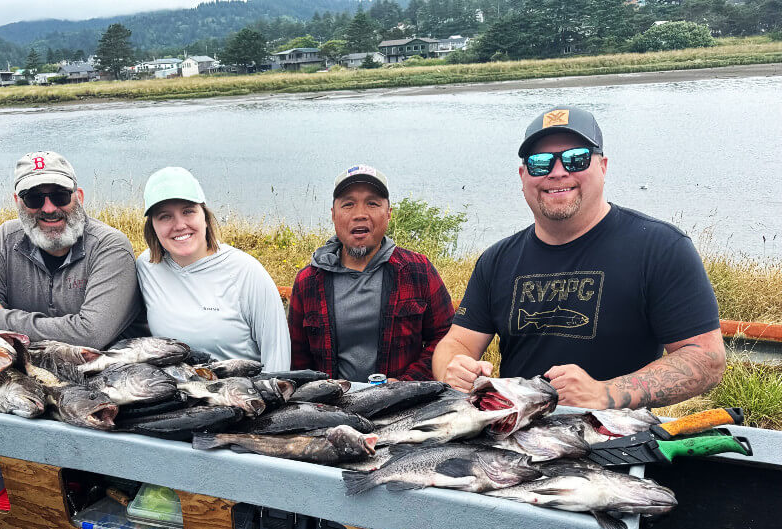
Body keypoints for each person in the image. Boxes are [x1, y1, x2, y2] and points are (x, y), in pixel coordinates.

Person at [433, 106, 725, 408]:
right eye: (540, 163)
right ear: (523, 176)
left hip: (615, 434)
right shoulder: (496, 260)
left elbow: (707, 358)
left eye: (576, 159)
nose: (557, 172)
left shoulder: (660, 247)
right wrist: (453, 368)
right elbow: (457, 342)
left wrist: (604, 393)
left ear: (603, 166)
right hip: (515, 429)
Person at [0, 151, 142, 350]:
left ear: (79, 197)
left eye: (60, 196)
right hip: (28, 365)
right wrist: (63, 330)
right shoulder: (5, 240)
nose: (48, 208)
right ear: (17, 201)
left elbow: (92, 334)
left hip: (109, 366)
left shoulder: (109, 247)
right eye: (33, 198)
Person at [287, 165, 455, 381]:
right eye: (348, 204)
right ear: (333, 215)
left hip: (404, 400)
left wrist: (405, 384)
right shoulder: (308, 282)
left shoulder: (418, 270)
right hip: (332, 402)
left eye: (372, 203)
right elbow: (298, 361)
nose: (360, 215)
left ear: (388, 213)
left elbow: (447, 338)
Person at [134, 167, 290, 370]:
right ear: (153, 227)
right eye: (165, 216)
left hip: (242, 389)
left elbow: (278, 359)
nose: (179, 225)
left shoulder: (246, 272)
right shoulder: (146, 267)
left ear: (205, 217)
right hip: (175, 389)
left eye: (188, 211)